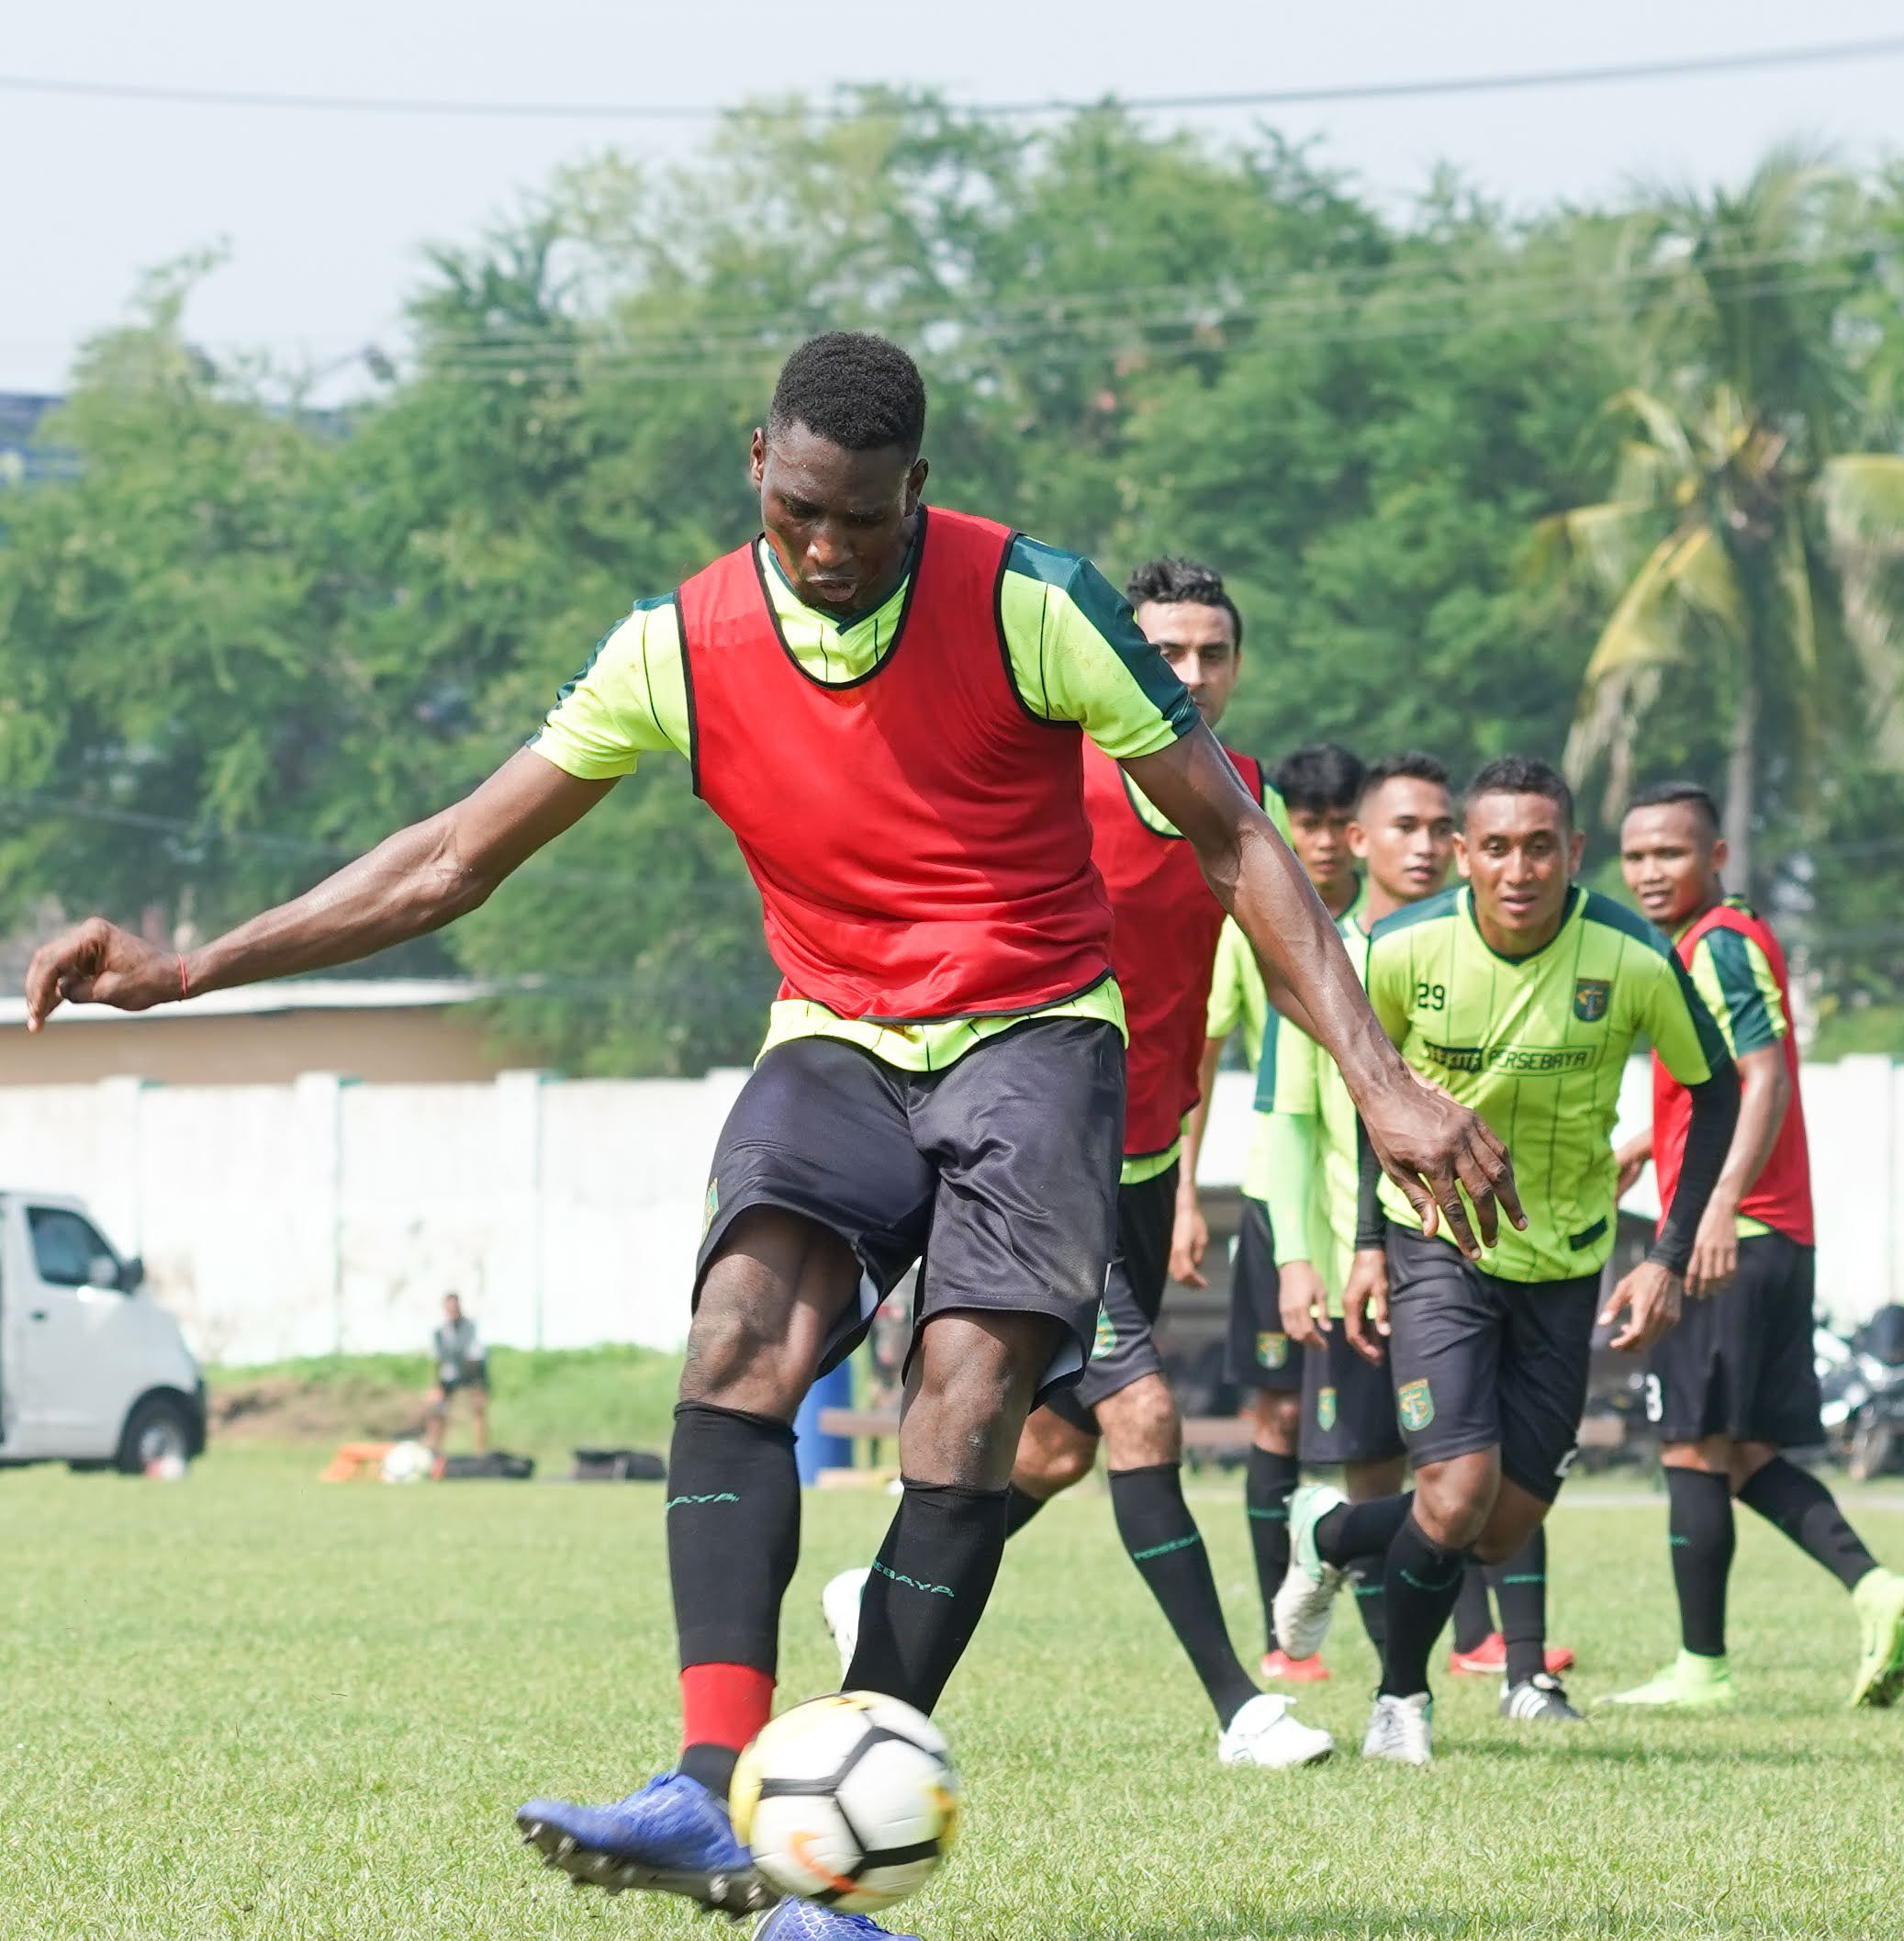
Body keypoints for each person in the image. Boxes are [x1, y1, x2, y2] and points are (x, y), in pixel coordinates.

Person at [24, 333, 1517, 1938]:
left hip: (1032, 1031)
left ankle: (832, 1850)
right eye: (798, 509)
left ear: (914, 496)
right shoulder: (677, 641)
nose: (821, 551)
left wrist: (1373, 1074)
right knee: (739, 1327)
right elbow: (452, 855)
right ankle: (702, 1775)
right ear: (757, 463)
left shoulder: (1032, 599)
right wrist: (192, 967)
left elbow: (1231, 834)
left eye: (859, 521)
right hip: (833, 1032)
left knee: (969, 1401)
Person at [835, 558, 1333, 1767]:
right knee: (1145, 1413)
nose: (1190, 676)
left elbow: (1250, 982)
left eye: (1212, 653)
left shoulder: (1241, 793)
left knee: (1050, 1445)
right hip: (1035, 1158)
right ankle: (1239, 1705)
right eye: (1163, 653)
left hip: (1145, 1163)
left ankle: (881, 1592)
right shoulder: (1048, 781)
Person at [1272, 755, 1739, 1766]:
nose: (1518, 867)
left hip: (1568, 1258)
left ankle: (1331, 1536)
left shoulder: (1632, 956)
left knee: (1496, 1521)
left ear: (1571, 852)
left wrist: (1662, 1252)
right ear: (1459, 854)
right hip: (1436, 1240)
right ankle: (1400, 1700)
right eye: (1495, 846)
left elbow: (1716, 1091)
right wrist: (1362, 1244)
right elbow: (1373, 1093)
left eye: (1539, 846)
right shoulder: (1397, 947)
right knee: (1452, 1489)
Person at [1604, 780, 1904, 1711]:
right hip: (1770, 1234)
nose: (1648, 871)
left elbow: (1761, 1078)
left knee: (1689, 1447)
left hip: (1732, 1239)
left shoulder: (1716, 947)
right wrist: (1644, 1142)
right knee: (1741, 1451)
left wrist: (1709, 1207)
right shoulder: (1715, 943)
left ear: (1715, 857)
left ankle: (1698, 1666)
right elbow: (1706, 1091)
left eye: (1669, 853)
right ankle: (1875, 1590)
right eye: (1634, 856)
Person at [1172, 743, 1365, 1682]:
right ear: (1280, 819)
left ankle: (1477, 1640)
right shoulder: (1249, 916)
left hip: (1380, 1201)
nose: (1322, 842)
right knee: (1276, 1416)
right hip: (1279, 1199)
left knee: (1423, 1427)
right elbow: (1203, 1060)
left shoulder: (1397, 923)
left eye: (1338, 822)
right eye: (1307, 820)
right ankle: (1277, 1640)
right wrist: (1182, 1190)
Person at [426, 1293, 490, 1456]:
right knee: (436, 1409)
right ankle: (433, 1452)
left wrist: (479, 1387)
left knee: (478, 1409)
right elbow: (438, 1361)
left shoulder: (470, 1329)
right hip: (449, 1377)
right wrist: (437, 1386)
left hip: (471, 1374)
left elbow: (477, 1359)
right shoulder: (440, 1332)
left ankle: (479, 1453)